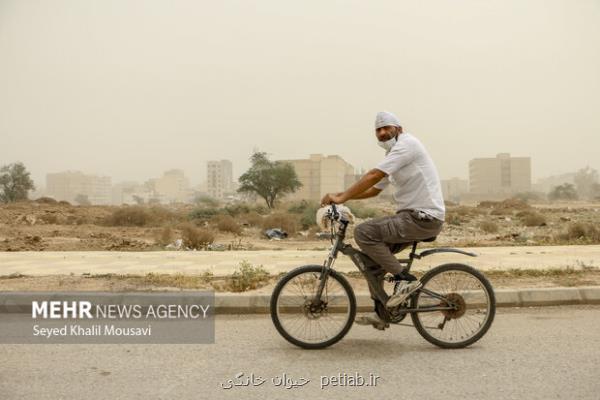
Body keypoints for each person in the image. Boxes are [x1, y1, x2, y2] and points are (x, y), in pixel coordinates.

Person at [320, 111, 445, 330]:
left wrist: (342, 197)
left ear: (399, 128)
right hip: (410, 217)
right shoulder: (393, 157)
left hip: (423, 217)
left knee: (364, 233)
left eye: (387, 127)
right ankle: (383, 313)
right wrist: (341, 197)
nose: (383, 132)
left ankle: (404, 280)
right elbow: (374, 191)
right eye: (378, 129)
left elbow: (373, 176)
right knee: (372, 265)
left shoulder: (408, 145)